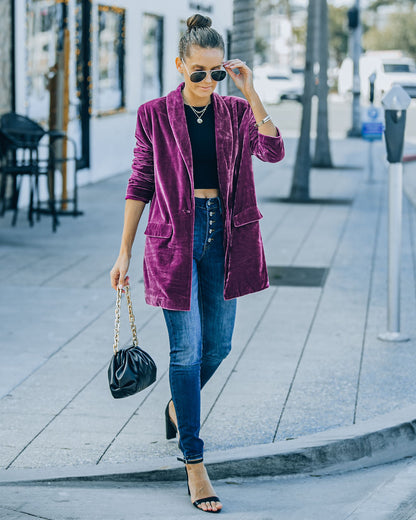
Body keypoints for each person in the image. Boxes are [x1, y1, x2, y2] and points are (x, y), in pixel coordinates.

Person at [110, 13, 284, 513]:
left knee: (220, 345)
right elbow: (140, 182)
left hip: (226, 237)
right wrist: (123, 250)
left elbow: (272, 151)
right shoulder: (154, 114)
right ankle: (193, 460)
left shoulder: (233, 111)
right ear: (180, 65)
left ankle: (176, 405)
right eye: (198, 72)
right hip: (173, 240)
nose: (208, 82)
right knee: (184, 353)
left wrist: (251, 91)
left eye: (217, 72)